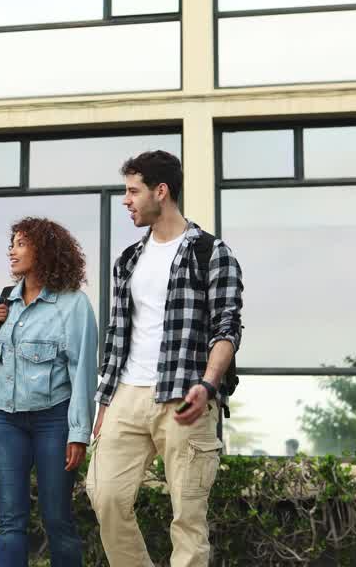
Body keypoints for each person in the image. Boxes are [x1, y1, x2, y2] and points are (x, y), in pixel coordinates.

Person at [87, 151, 244, 567]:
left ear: (161, 191)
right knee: (104, 495)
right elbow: (117, 335)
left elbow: (227, 327)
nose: (125, 200)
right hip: (127, 394)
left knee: (188, 520)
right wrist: (105, 403)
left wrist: (207, 383)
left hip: (184, 396)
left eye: (132, 191)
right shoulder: (129, 259)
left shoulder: (212, 253)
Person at [0, 217, 98, 567]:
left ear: (44, 250)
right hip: (3, 421)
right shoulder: (3, 302)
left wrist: (79, 433)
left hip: (52, 421)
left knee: (57, 518)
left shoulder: (73, 305)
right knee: (11, 520)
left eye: (21, 243)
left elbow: (83, 374)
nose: (12, 250)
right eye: (12, 243)